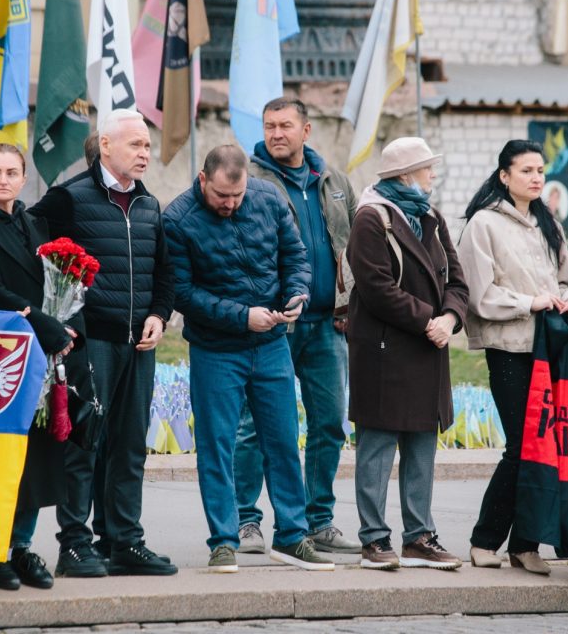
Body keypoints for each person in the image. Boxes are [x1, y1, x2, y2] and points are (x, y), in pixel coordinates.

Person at [164, 144, 333, 574]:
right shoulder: (178, 219)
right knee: (217, 446)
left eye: (237, 196)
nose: (230, 204)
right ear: (203, 180)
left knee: (282, 440)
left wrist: (297, 292)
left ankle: (292, 536)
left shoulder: (268, 196)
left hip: (273, 342)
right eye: (222, 196)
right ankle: (224, 540)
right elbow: (182, 293)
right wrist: (242, 317)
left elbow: (295, 256)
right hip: (216, 350)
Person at [31, 109, 176, 578]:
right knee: (85, 443)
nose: (145, 154)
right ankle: (75, 544)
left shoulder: (150, 205)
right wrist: (63, 319)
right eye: (136, 145)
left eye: (148, 146)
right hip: (92, 345)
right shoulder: (69, 198)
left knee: (129, 445)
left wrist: (158, 314)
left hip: (140, 346)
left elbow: (165, 274)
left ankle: (123, 541)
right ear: (106, 146)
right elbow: (31, 250)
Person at [234, 98, 360, 556]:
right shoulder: (250, 180)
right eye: (269, 126)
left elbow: (356, 243)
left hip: (329, 324)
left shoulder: (334, 182)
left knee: (328, 424)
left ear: (306, 130)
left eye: (285, 125)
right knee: (257, 426)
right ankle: (246, 521)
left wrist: (353, 303)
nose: (276, 134)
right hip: (273, 325)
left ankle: (318, 519)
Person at [458, 140, 568, 575]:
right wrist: (530, 301)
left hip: (550, 347)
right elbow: (480, 294)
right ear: (504, 175)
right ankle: (484, 540)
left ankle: (525, 545)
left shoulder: (548, 222)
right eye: (526, 170)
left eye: (540, 170)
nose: (535, 178)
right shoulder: (484, 224)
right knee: (520, 448)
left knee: (544, 448)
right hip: (508, 348)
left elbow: (565, 279)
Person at [0, 144, 77, 591]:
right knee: (6, 456)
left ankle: (21, 546)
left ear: (24, 178)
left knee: (38, 456)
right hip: (0, 352)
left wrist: (68, 322)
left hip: (41, 354)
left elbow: (56, 280)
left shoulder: (32, 222)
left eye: (11, 172)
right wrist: (40, 321)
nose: (3, 179)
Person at [347, 137, 470, 571]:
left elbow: (457, 280)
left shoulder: (430, 216)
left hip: (428, 346)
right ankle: (374, 540)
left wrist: (451, 318)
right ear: (405, 176)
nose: (433, 176)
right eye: (427, 170)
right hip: (385, 351)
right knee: (377, 446)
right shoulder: (371, 218)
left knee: (421, 446)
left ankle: (419, 537)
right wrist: (428, 320)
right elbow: (378, 289)